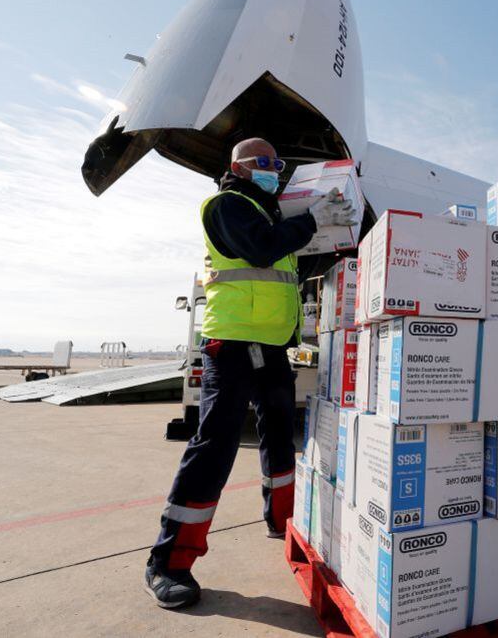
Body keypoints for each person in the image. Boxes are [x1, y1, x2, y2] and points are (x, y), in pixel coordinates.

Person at [145, 138, 354, 609]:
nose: (273, 169)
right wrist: (311, 220)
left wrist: (335, 236)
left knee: (280, 434)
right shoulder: (226, 206)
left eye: (277, 163)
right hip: (232, 345)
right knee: (214, 445)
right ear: (238, 167)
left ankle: (283, 519)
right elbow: (261, 250)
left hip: (272, 347)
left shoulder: (272, 217)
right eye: (263, 162)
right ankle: (168, 563)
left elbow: (292, 264)